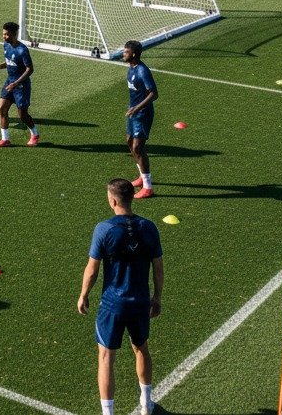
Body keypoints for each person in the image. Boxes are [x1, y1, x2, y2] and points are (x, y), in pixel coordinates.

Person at [77, 177, 164, 415]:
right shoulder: (149, 227)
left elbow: (92, 269)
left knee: (106, 357)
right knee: (141, 348)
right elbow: (158, 267)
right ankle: (146, 403)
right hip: (140, 302)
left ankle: (108, 413)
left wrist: (84, 294)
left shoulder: (104, 229)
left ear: (113, 200)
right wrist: (157, 297)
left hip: (112, 304)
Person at [0, 21, 39, 147]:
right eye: (3, 34)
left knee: (23, 115)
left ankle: (35, 134)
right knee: (2, 109)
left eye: (7, 35)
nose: (4, 37)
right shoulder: (6, 45)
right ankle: (5, 139)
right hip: (10, 82)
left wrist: (16, 83)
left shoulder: (22, 50)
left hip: (21, 86)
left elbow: (30, 69)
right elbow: (9, 62)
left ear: (14, 34)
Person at [123, 40, 157, 199]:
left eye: (126, 52)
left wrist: (137, 108)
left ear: (134, 54)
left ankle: (148, 187)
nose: (124, 54)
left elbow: (154, 93)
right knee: (129, 142)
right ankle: (141, 176)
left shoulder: (143, 71)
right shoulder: (131, 68)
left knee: (138, 148)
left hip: (143, 114)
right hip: (133, 112)